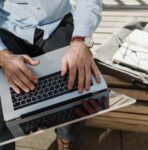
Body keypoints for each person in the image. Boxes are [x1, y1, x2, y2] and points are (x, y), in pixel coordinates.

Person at [0, 0, 102, 149]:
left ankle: (66, 139)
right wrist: (2, 55)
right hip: (6, 27)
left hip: (56, 22)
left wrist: (80, 41)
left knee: (78, 82)